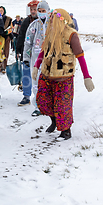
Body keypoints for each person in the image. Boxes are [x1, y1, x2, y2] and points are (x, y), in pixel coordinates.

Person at [32, 8, 95, 140]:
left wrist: (87, 76)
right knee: (44, 101)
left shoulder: (71, 35)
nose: (51, 22)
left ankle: (66, 131)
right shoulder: (50, 33)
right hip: (47, 74)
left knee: (62, 105)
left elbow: (80, 56)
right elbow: (43, 51)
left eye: (54, 19)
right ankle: (54, 121)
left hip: (63, 77)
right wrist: (36, 66)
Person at [23, 0, 50, 116]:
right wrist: (26, 58)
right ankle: (38, 106)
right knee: (36, 82)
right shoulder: (33, 26)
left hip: (50, 59)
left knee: (49, 82)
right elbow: (28, 43)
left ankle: (50, 106)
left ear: (48, 11)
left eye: (43, 11)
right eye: (39, 11)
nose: (41, 13)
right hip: (36, 59)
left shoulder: (53, 25)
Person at [16, 0, 39, 106]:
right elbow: (21, 36)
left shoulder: (43, 22)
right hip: (27, 52)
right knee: (26, 74)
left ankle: (41, 97)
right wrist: (18, 50)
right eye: (31, 10)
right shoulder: (26, 21)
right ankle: (26, 96)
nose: (33, 11)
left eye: (35, 9)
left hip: (40, 54)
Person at [0, 6, 13, 74]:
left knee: (5, 52)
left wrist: (6, 32)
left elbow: (11, 28)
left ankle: (4, 66)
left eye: (2, 10)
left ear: (4, 11)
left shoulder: (8, 19)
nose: (1, 12)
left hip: (6, 37)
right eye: (0, 10)